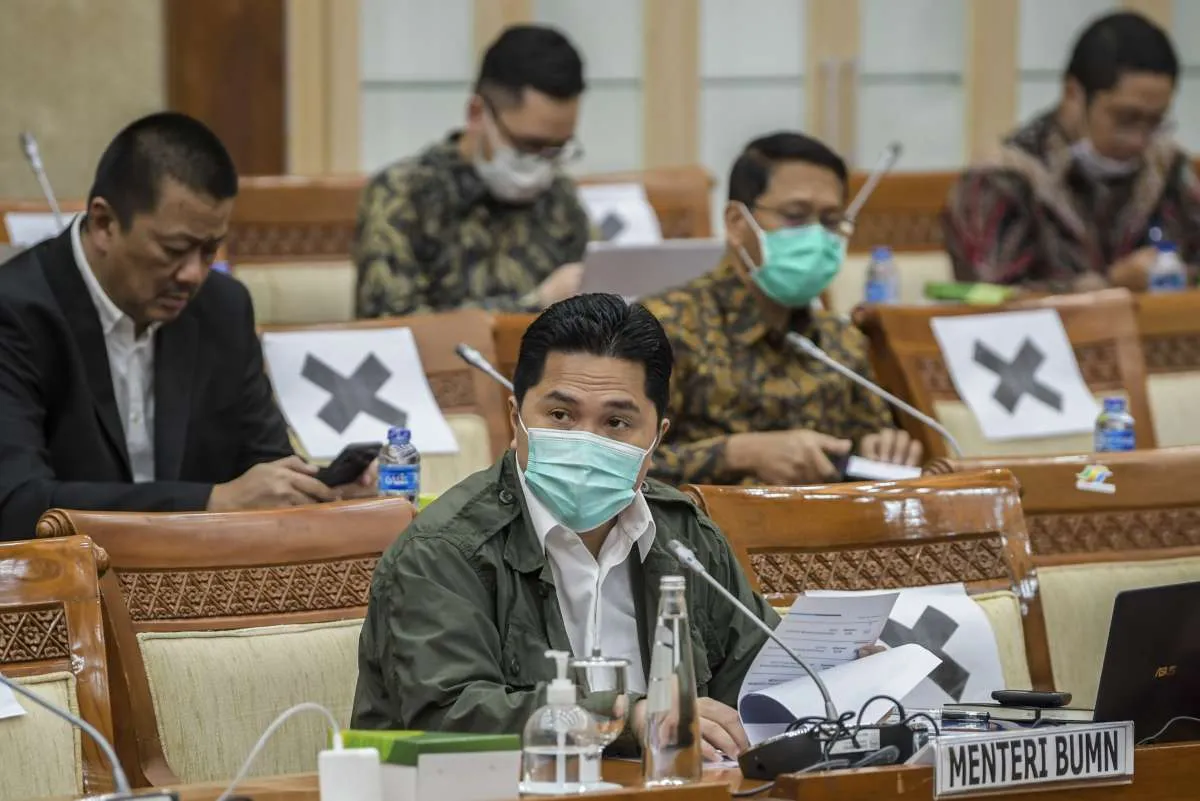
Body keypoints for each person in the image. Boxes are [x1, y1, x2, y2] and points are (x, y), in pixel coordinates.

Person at [352, 293, 776, 759]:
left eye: (616, 422)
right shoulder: (444, 550)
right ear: (515, 419)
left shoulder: (685, 539)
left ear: (656, 438)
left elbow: (765, 685)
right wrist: (625, 718)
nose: (585, 441)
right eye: (560, 415)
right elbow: (450, 717)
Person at [0, 112, 374, 541]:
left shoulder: (222, 308)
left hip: (207, 571)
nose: (193, 274)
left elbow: (264, 464)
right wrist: (210, 502)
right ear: (104, 224)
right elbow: (16, 504)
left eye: (210, 249)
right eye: (174, 249)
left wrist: (321, 491)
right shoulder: (14, 312)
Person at [641, 132, 921, 487]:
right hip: (712, 521)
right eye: (795, 216)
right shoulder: (666, 328)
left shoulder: (841, 341)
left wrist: (881, 449)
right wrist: (737, 454)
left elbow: (868, 446)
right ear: (737, 222)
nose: (816, 237)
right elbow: (616, 465)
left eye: (831, 221)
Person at [943, 11, 1200, 293]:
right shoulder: (1002, 179)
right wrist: (1110, 284)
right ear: (1073, 95)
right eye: (1126, 119)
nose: (1139, 141)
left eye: (1155, 122)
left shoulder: (1167, 169)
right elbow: (992, 298)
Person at [354, 24, 591, 318]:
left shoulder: (559, 197)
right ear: (477, 113)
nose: (542, 163)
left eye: (557, 149)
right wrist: (537, 303)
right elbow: (390, 324)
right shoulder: (403, 195)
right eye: (529, 146)